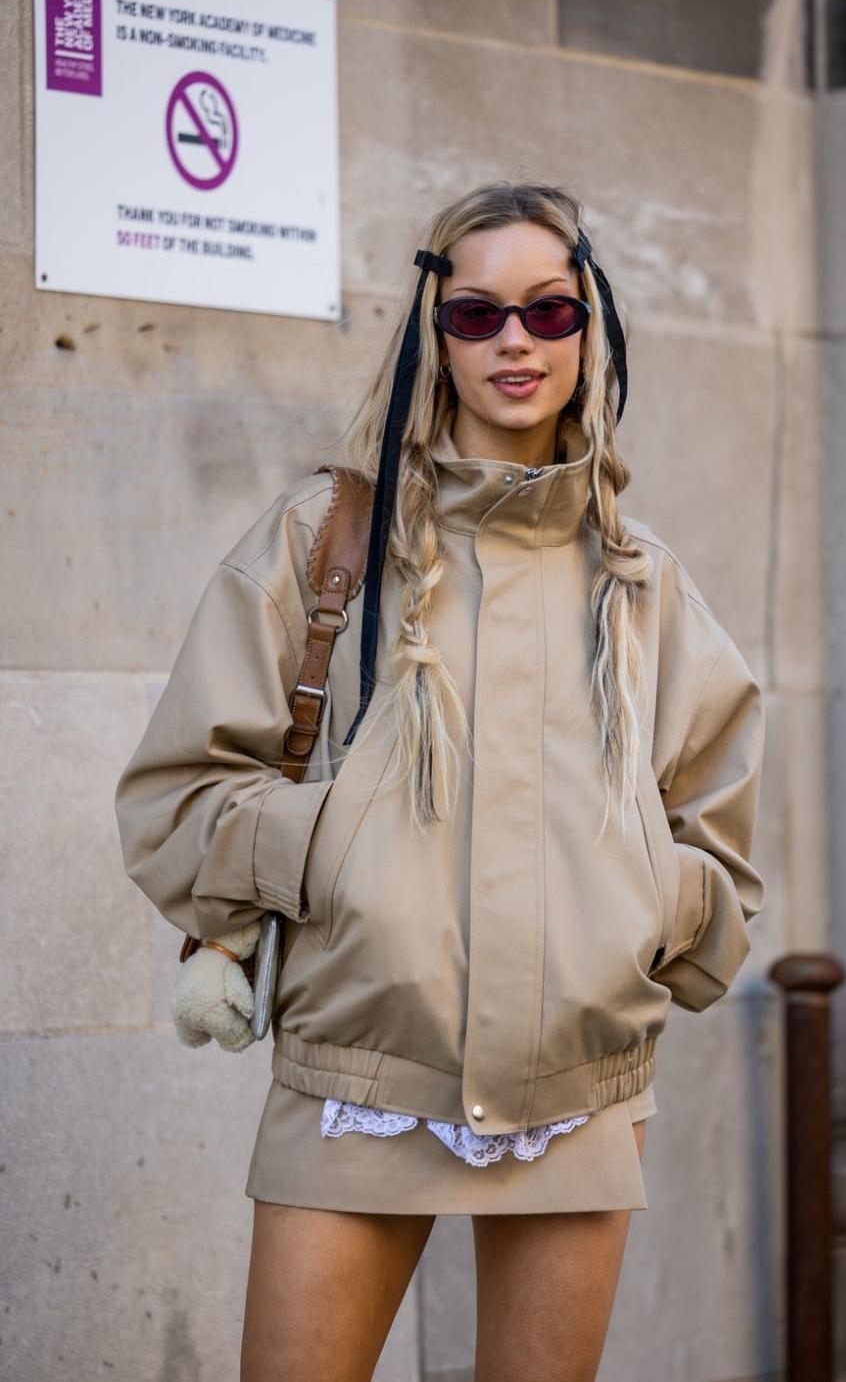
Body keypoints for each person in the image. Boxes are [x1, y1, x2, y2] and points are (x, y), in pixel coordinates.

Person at [115, 179, 766, 1382]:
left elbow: (718, 839)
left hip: (579, 1088)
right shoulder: (326, 537)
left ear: (590, 329)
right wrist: (346, 860)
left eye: (549, 311)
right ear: (433, 329)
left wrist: (644, 903)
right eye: (477, 315)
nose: (515, 340)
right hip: (356, 1077)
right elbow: (176, 796)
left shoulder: (642, 582)